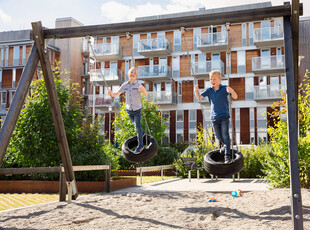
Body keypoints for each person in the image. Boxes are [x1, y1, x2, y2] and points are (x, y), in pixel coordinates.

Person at [194, 70, 238, 164]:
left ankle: (227, 156)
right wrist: (196, 91)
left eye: (214, 79)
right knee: (218, 136)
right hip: (214, 117)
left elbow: (235, 96)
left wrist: (232, 91)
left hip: (224, 116)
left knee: (225, 135)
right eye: (210, 79)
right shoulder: (209, 90)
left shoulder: (224, 88)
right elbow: (199, 98)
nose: (212, 81)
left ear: (220, 79)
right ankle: (226, 145)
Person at [108, 67, 147, 154]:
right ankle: (142, 133)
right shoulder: (125, 85)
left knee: (137, 127)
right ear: (128, 74)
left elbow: (145, 94)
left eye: (135, 73)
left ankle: (140, 145)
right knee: (136, 127)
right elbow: (116, 94)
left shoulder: (138, 84)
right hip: (129, 110)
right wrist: (111, 94)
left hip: (137, 109)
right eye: (131, 72)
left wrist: (142, 89)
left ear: (136, 76)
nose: (133, 73)